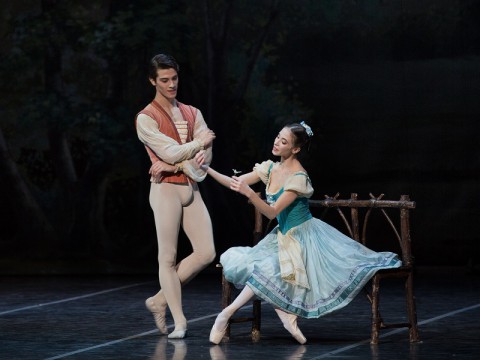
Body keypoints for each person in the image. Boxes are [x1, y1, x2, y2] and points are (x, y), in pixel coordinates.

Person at [200, 122, 401, 345]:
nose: (277, 142)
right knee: (255, 264)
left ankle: (226, 314)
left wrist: (250, 194)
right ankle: (285, 314)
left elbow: (271, 212)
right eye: (278, 137)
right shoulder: (269, 168)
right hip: (282, 237)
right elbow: (235, 183)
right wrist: (206, 170)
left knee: (269, 267)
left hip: (304, 239)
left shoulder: (298, 177)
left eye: (284, 141)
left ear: (295, 149)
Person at [135, 53, 216, 339]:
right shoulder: (146, 118)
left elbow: (204, 159)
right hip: (165, 190)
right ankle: (179, 321)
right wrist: (186, 154)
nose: (171, 85)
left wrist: (181, 161)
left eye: (174, 79)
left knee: (207, 252)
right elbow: (172, 151)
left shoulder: (193, 112)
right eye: (165, 80)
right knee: (167, 257)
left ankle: (158, 300)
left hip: (189, 188)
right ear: (153, 81)